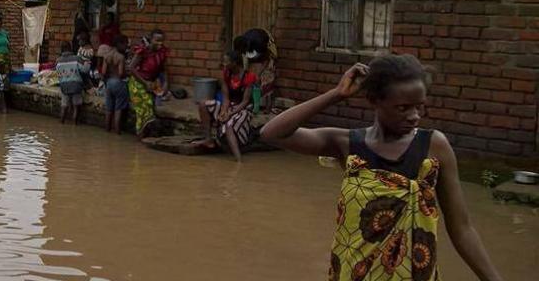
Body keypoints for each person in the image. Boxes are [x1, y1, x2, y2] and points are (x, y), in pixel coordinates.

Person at [260, 54, 504, 281]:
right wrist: (337, 94)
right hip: (355, 272)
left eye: (419, 106)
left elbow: (462, 228)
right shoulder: (347, 144)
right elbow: (272, 133)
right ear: (374, 101)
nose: (414, 116)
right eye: (402, 108)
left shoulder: (434, 146)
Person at [194, 51, 257, 162]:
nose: (224, 64)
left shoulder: (248, 77)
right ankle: (208, 139)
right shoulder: (226, 74)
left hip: (243, 108)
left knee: (229, 125)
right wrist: (224, 111)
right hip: (229, 106)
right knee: (203, 104)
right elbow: (226, 97)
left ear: (235, 63)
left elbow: (245, 102)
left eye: (226, 62)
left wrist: (230, 114)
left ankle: (238, 160)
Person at [128, 29, 169, 137]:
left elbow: (164, 70)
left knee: (150, 107)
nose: (160, 43)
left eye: (162, 41)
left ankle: (145, 134)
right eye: (157, 40)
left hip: (151, 83)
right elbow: (131, 68)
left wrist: (165, 84)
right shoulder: (143, 51)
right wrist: (145, 82)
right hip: (138, 83)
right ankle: (141, 134)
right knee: (145, 107)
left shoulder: (162, 52)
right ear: (151, 40)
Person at [234, 28, 277, 113]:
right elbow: (245, 64)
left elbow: (267, 60)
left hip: (267, 49)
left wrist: (259, 74)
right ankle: (254, 104)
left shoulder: (260, 44)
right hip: (255, 48)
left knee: (267, 80)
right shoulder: (242, 42)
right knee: (251, 80)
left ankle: (267, 107)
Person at [101, 34, 130, 134]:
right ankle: (117, 132)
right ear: (119, 44)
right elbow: (121, 73)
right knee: (118, 109)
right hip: (118, 83)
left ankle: (107, 131)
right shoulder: (121, 57)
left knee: (109, 109)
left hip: (109, 83)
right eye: (126, 44)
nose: (127, 46)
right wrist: (127, 76)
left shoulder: (106, 56)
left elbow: (103, 72)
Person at [56, 41, 84, 125]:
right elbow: (84, 70)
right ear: (70, 48)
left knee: (64, 106)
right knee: (76, 106)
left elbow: (57, 73)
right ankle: (75, 125)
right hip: (76, 85)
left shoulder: (58, 61)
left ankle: (62, 123)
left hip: (64, 86)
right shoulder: (77, 58)